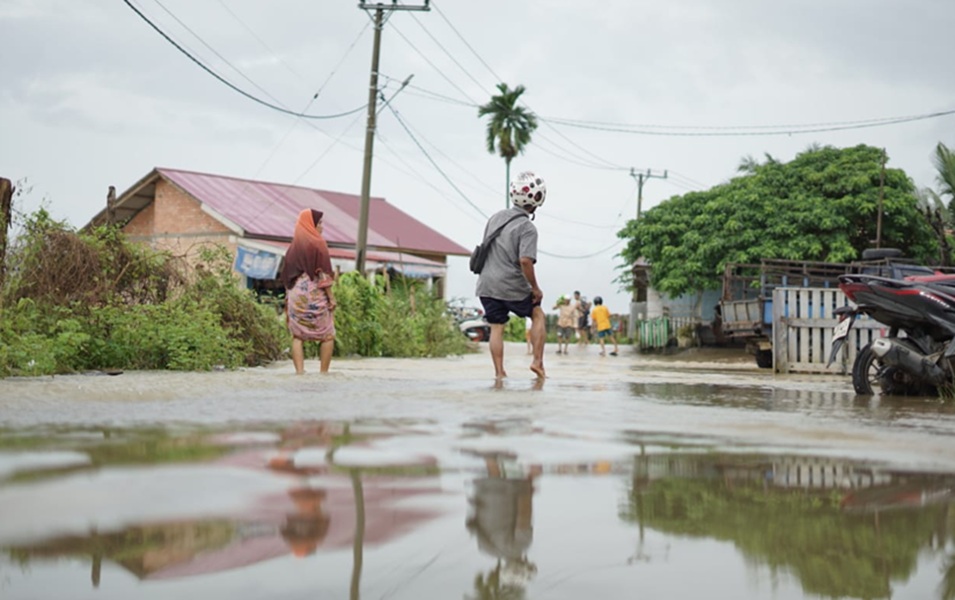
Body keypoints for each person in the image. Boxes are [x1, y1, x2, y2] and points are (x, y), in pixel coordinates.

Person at [475, 171, 548, 380]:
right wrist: (535, 288)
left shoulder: (495, 218)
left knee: (497, 327)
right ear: (537, 200)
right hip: (510, 284)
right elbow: (525, 261)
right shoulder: (527, 227)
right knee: (537, 314)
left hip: (486, 284)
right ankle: (537, 363)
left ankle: (499, 374)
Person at [281, 208, 337, 374]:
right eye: (319, 223)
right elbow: (323, 275)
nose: (322, 227)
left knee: (298, 336)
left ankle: (299, 373)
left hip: (295, 297)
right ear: (310, 224)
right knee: (327, 335)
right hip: (313, 297)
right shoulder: (318, 244)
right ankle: (323, 374)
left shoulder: (293, 248)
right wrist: (331, 298)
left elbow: (287, 275)